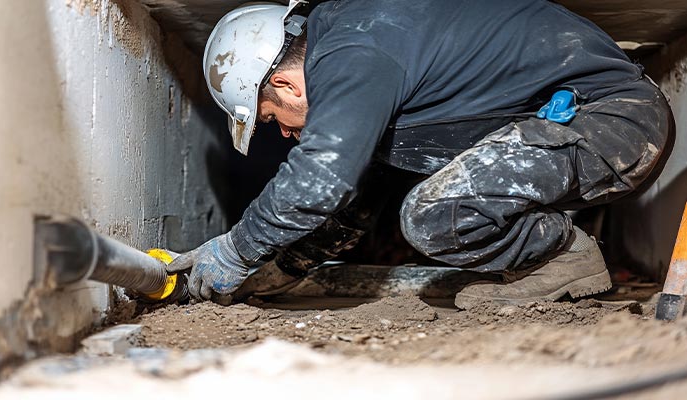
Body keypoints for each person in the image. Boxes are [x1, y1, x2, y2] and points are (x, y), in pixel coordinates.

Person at [166, 0, 675, 309]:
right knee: (383, 163)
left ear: (285, 85)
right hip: (585, 123)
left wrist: (236, 250)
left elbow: (324, 174)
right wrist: (287, 263)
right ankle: (553, 254)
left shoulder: (354, 52)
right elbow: (359, 180)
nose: (282, 134)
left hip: (613, 123)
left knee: (436, 215)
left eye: (272, 119)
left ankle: (562, 258)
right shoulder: (353, 44)